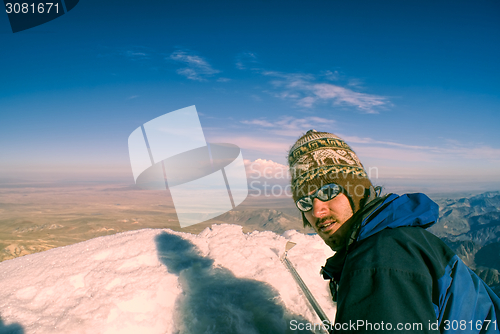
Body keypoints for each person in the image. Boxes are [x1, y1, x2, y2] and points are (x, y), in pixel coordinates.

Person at [288, 130, 500, 333]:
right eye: (304, 202)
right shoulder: (400, 238)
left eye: (328, 191)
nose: (317, 210)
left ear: (356, 189)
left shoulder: (379, 259)